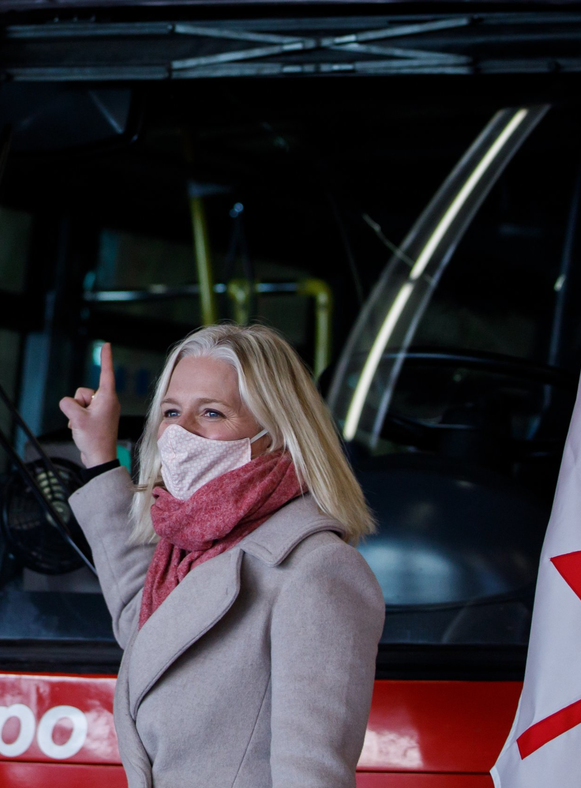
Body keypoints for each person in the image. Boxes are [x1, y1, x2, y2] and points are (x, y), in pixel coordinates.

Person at [61, 324, 383, 788]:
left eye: (211, 412)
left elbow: (312, 775)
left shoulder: (318, 571)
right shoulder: (187, 546)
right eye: (171, 411)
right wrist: (99, 456)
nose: (179, 432)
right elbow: (145, 624)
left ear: (277, 433)